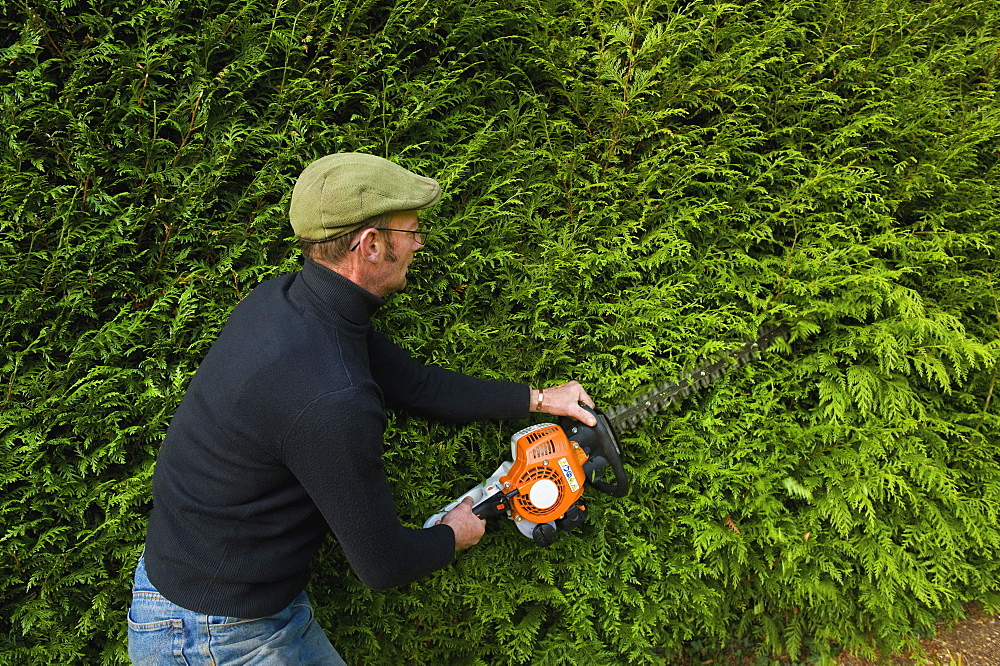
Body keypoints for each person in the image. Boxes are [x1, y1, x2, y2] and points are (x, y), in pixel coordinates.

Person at [127, 152, 598, 665]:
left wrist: (536, 399)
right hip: (217, 636)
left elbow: (413, 383)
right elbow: (383, 564)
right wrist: (454, 533)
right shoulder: (331, 394)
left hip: (217, 602)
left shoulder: (291, 304)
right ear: (371, 245)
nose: (419, 245)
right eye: (412, 232)